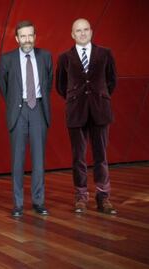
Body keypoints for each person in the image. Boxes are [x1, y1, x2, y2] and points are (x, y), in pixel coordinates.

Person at [56, 18, 117, 215]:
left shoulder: (105, 53)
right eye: (78, 31)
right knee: (78, 158)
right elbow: (60, 85)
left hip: (100, 110)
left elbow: (111, 81)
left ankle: (103, 196)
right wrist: (76, 99)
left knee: (101, 156)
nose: (82, 33)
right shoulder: (65, 58)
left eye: (85, 30)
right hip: (76, 112)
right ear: (72, 34)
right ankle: (81, 196)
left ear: (91, 32)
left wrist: (98, 97)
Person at [0, 20, 53, 218]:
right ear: (17, 38)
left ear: (34, 36)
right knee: (17, 161)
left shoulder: (46, 56)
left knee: (39, 160)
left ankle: (38, 202)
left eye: (30, 35)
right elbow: (3, 87)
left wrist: (37, 102)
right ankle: (18, 204)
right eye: (23, 36)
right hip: (18, 111)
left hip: (38, 109)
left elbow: (48, 84)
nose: (27, 39)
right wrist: (16, 104)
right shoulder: (7, 59)